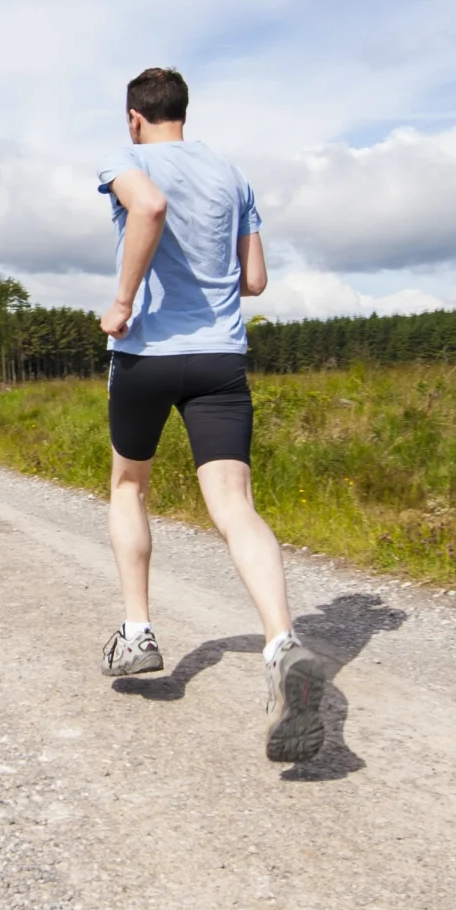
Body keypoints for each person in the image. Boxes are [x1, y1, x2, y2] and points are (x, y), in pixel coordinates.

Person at [95, 66, 326, 764]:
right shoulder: (231, 175)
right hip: (221, 357)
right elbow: (254, 279)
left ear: (134, 117)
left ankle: (138, 633)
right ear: (182, 113)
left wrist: (123, 301)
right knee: (234, 504)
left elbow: (150, 208)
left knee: (130, 484)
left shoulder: (126, 160)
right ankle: (283, 641)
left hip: (146, 355)